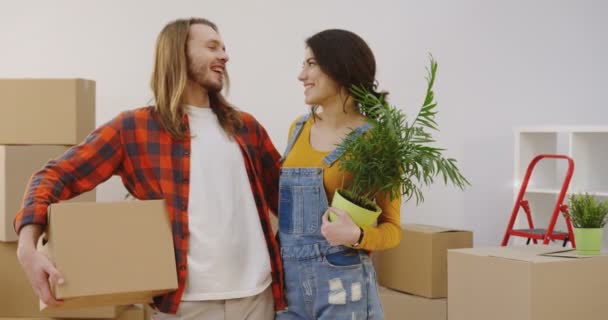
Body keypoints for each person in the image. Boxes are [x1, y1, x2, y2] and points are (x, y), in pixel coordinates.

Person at [14, 17, 285, 320]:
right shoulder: (133, 129)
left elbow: (288, 201)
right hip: (183, 305)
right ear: (177, 54)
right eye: (212, 47)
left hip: (258, 297)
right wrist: (27, 246)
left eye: (223, 48)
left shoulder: (246, 127)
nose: (224, 55)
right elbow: (53, 176)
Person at [275, 29, 402, 320]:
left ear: (340, 67)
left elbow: (392, 228)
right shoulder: (298, 128)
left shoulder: (376, 140)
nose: (301, 75)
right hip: (288, 283)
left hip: (342, 283)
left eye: (311, 64)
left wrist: (356, 235)